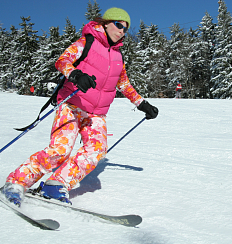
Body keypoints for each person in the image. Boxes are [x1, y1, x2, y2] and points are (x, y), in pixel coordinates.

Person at [1, 7, 158, 206]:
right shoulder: (87, 42)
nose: (122, 31)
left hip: (96, 114)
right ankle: (16, 182)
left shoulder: (118, 57)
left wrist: (143, 104)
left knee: (96, 152)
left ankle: (55, 184)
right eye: (119, 25)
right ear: (106, 23)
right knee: (60, 150)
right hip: (72, 105)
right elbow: (62, 61)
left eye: (126, 29)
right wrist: (76, 75)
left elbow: (124, 84)